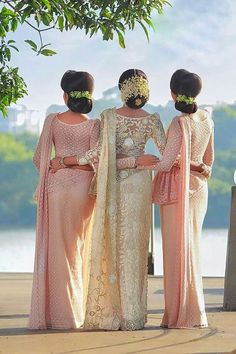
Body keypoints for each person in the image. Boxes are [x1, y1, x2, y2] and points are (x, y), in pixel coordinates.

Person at [52, 69, 167, 330]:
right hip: (132, 185)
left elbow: (105, 160)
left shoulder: (110, 117)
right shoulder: (149, 120)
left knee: (123, 247)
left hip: (124, 187)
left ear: (120, 89)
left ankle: (119, 313)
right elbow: (164, 158)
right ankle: (130, 315)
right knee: (128, 247)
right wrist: (140, 161)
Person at [29, 70, 100, 329]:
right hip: (83, 191)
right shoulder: (94, 125)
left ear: (65, 95)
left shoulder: (52, 121)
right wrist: (77, 167)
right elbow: (96, 161)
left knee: (56, 249)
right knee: (77, 250)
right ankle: (76, 313)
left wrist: (59, 165)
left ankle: (58, 315)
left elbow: (40, 159)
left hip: (56, 189)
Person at [149, 69, 214, 328]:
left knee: (176, 253)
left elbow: (165, 164)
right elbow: (208, 163)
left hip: (177, 190)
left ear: (173, 93)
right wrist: (194, 166)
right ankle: (194, 312)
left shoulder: (179, 123)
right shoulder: (207, 119)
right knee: (192, 250)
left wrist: (141, 164)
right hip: (199, 190)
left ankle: (179, 315)